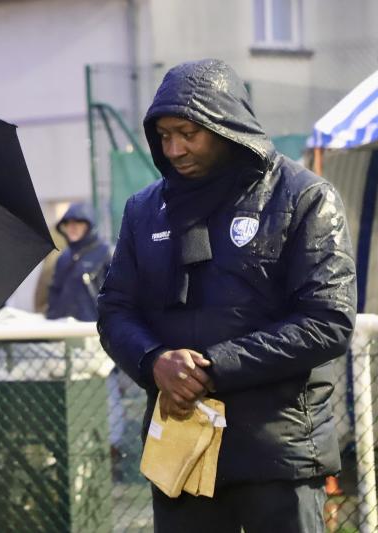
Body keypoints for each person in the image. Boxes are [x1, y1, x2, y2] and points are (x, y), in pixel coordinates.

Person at [96, 58, 357, 533]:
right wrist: (154, 361)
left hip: (278, 453)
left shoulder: (304, 198)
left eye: (187, 133)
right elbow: (115, 311)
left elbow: (328, 321)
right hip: (181, 450)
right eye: (163, 136)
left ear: (225, 124)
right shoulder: (144, 211)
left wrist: (212, 368)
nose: (173, 148)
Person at [45, 202, 111, 322]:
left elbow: (118, 293)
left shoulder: (106, 253)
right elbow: (54, 290)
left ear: (89, 225)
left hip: (94, 328)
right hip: (63, 327)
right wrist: (52, 317)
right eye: (68, 223)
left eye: (78, 222)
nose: (72, 227)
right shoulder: (63, 257)